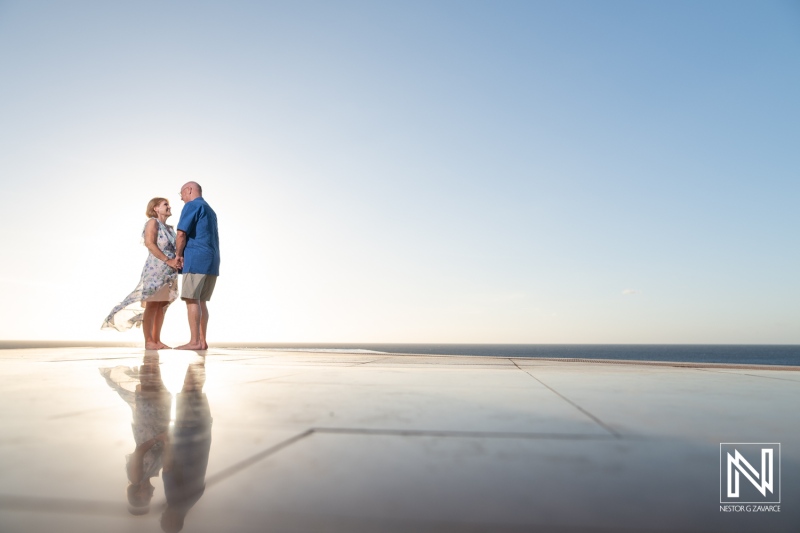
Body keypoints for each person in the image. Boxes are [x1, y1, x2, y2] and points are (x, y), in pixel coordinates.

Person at [103, 198, 182, 350]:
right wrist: (167, 260)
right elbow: (149, 243)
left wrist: (178, 261)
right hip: (156, 268)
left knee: (161, 305)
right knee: (152, 304)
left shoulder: (171, 229)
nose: (169, 206)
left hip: (169, 271)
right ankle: (149, 341)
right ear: (156, 208)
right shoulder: (152, 222)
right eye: (165, 204)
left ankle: (157, 340)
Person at [99, 353, 171, 515]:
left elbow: (139, 452)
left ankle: (151, 347)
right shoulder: (150, 473)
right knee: (154, 379)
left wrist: (159, 438)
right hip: (157, 421)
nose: (152, 495)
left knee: (152, 378)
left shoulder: (135, 478)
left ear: (138, 495)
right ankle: (152, 350)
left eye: (148, 498)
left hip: (148, 419)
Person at [175, 182, 220, 350]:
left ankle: (194, 341)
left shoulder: (192, 205)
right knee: (201, 301)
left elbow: (181, 233)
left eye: (181, 193)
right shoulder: (210, 210)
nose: (181, 198)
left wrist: (178, 255)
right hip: (212, 261)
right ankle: (202, 341)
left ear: (189, 190)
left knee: (191, 299)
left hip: (196, 258)